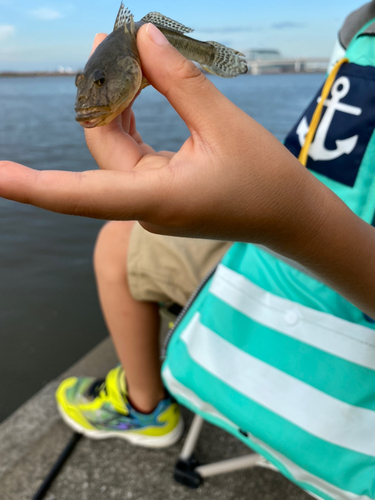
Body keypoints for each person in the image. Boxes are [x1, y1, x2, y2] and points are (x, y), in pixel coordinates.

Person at [2, 7, 375, 444]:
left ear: (129, 70)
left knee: (119, 245)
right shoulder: (357, 31)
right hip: (289, 242)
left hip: (336, 289)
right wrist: (280, 206)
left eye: (100, 84)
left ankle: (144, 405)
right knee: (118, 238)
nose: (90, 95)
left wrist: (292, 220)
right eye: (87, 85)